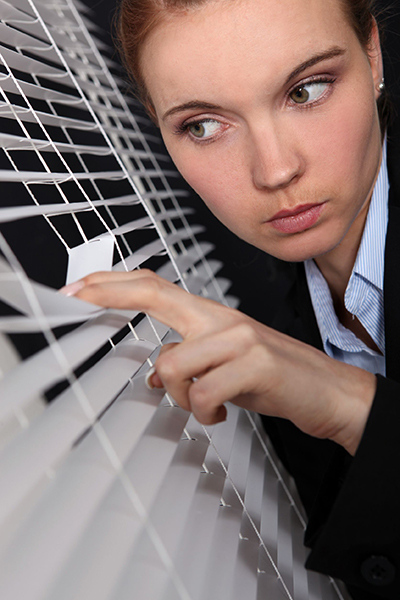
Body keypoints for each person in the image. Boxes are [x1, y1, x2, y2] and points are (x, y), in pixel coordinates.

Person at [60, 0, 400, 597]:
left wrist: (348, 405)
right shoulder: (275, 324)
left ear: (373, 54)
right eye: (204, 126)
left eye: (308, 89)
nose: (274, 170)